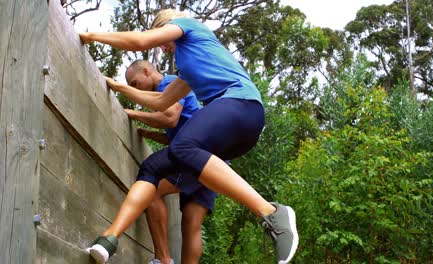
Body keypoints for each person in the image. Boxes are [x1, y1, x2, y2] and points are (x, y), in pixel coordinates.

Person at [80, 9, 298, 264]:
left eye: (162, 38)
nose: (163, 48)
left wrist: (91, 36)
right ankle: (108, 240)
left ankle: (271, 212)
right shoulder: (187, 67)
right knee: (152, 167)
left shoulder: (188, 26)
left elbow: (139, 41)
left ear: (169, 25)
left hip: (241, 104)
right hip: (237, 132)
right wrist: (120, 88)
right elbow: (162, 101)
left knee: (182, 145)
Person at [92, 60, 217, 264]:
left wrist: (132, 114)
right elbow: (176, 132)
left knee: (151, 188)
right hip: (215, 158)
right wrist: (150, 133)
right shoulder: (174, 90)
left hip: (197, 154)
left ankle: (163, 259)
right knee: (192, 223)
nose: (134, 89)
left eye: (134, 83)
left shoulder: (170, 83)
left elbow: (169, 118)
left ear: (146, 71)